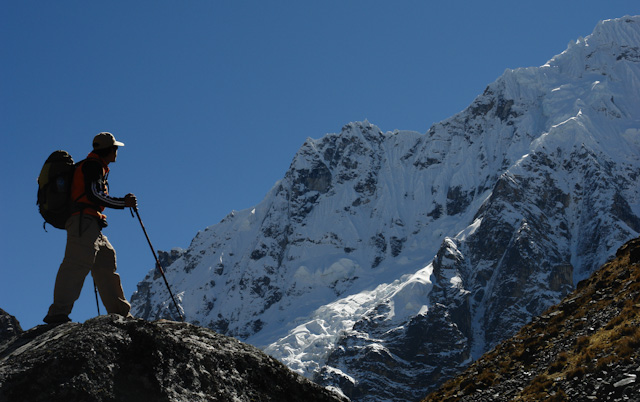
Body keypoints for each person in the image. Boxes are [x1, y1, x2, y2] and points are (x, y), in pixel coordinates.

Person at [43, 132, 138, 324]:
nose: (117, 152)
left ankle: (120, 314)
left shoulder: (94, 166)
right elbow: (94, 195)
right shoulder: (93, 166)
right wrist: (123, 203)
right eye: (115, 148)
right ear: (110, 150)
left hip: (89, 223)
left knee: (105, 261)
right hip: (83, 221)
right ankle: (57, 313)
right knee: (75, 264)